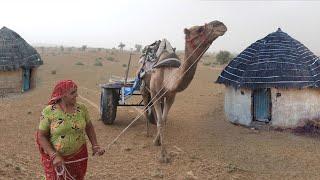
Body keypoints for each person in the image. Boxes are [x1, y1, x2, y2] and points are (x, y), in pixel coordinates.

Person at [36, 80, 105, 180]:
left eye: (76, 91)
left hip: (79, 156)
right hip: (57, 159)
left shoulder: (82, 108)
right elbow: (41, 136)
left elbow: (89, 127)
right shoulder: (49, 111)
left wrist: (95, 146)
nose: (76, 95)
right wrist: (54, 155)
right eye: (72, 93)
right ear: (62, 95)